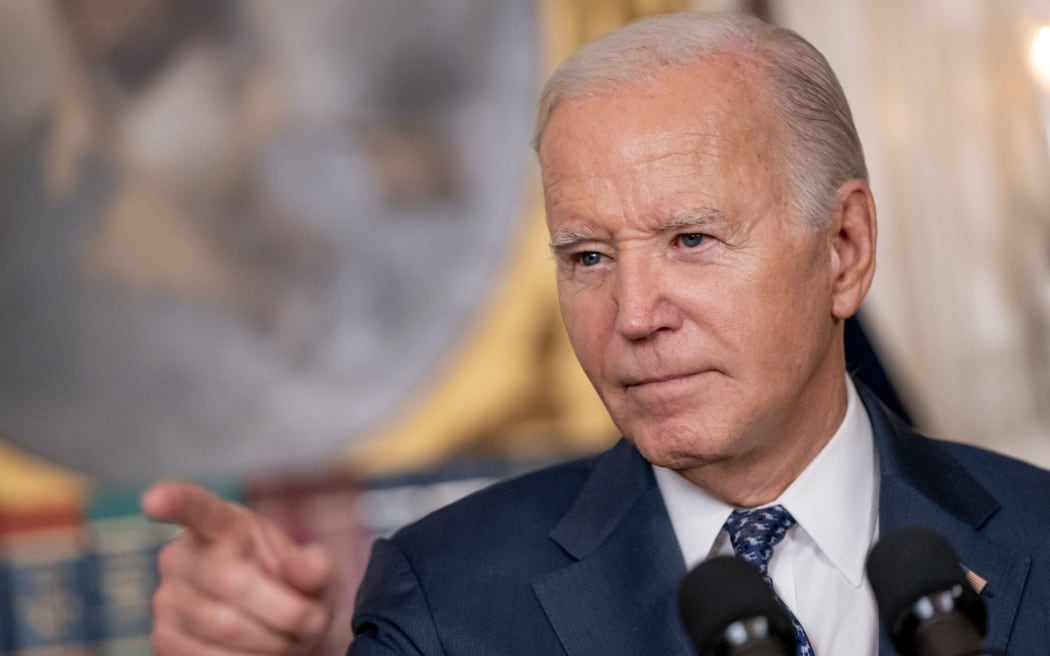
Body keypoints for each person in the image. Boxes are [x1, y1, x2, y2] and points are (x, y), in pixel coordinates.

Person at [142, 12, 1050, 655]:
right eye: (586, 258)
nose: (633, 315)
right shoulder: (447, 599)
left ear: (844, 250)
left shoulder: (1039, 541)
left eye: (690, 241)